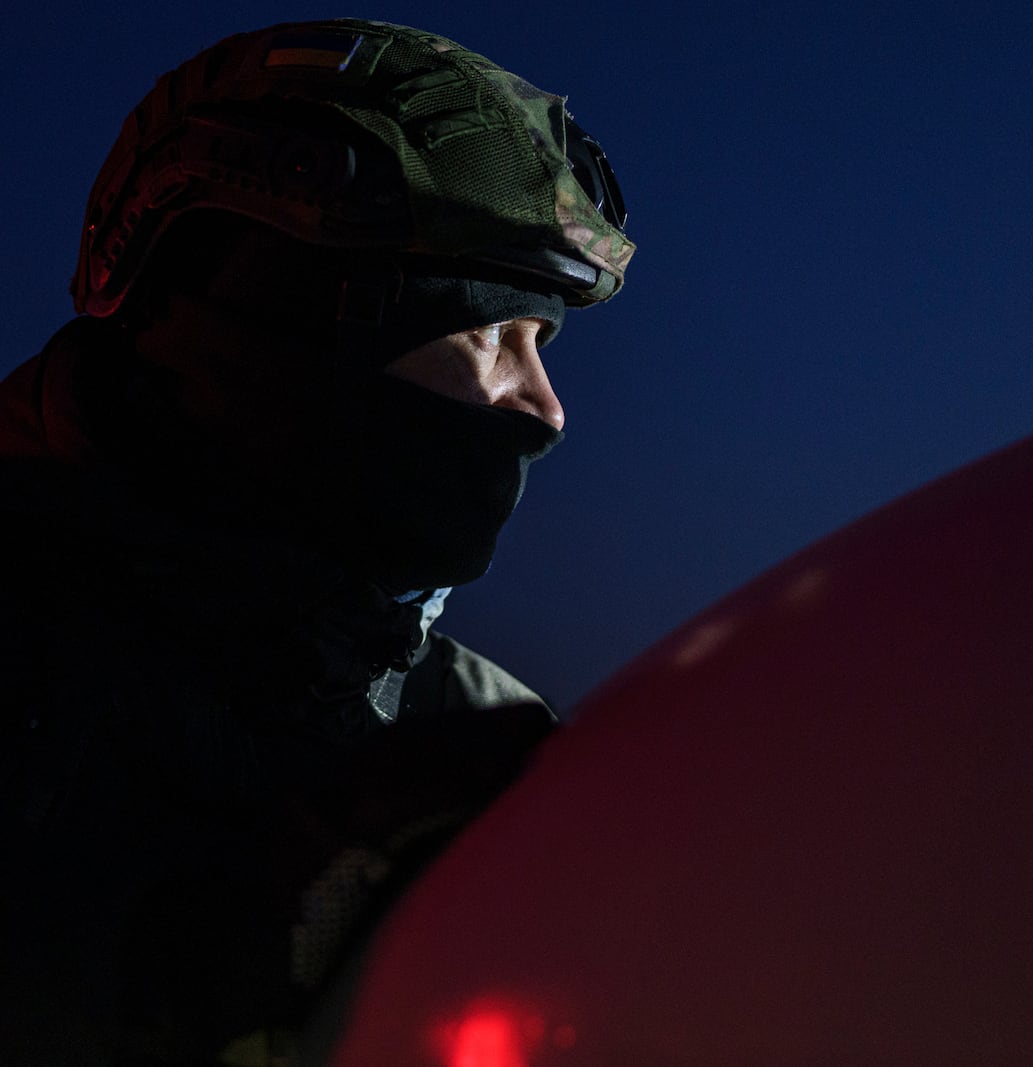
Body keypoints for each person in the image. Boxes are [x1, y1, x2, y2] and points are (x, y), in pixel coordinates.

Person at [0, 18, 635, 1066]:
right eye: (489, 334)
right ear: (273, 321)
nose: (546, 409)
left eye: (544, 344)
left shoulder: (463, 721)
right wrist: (177, 978)